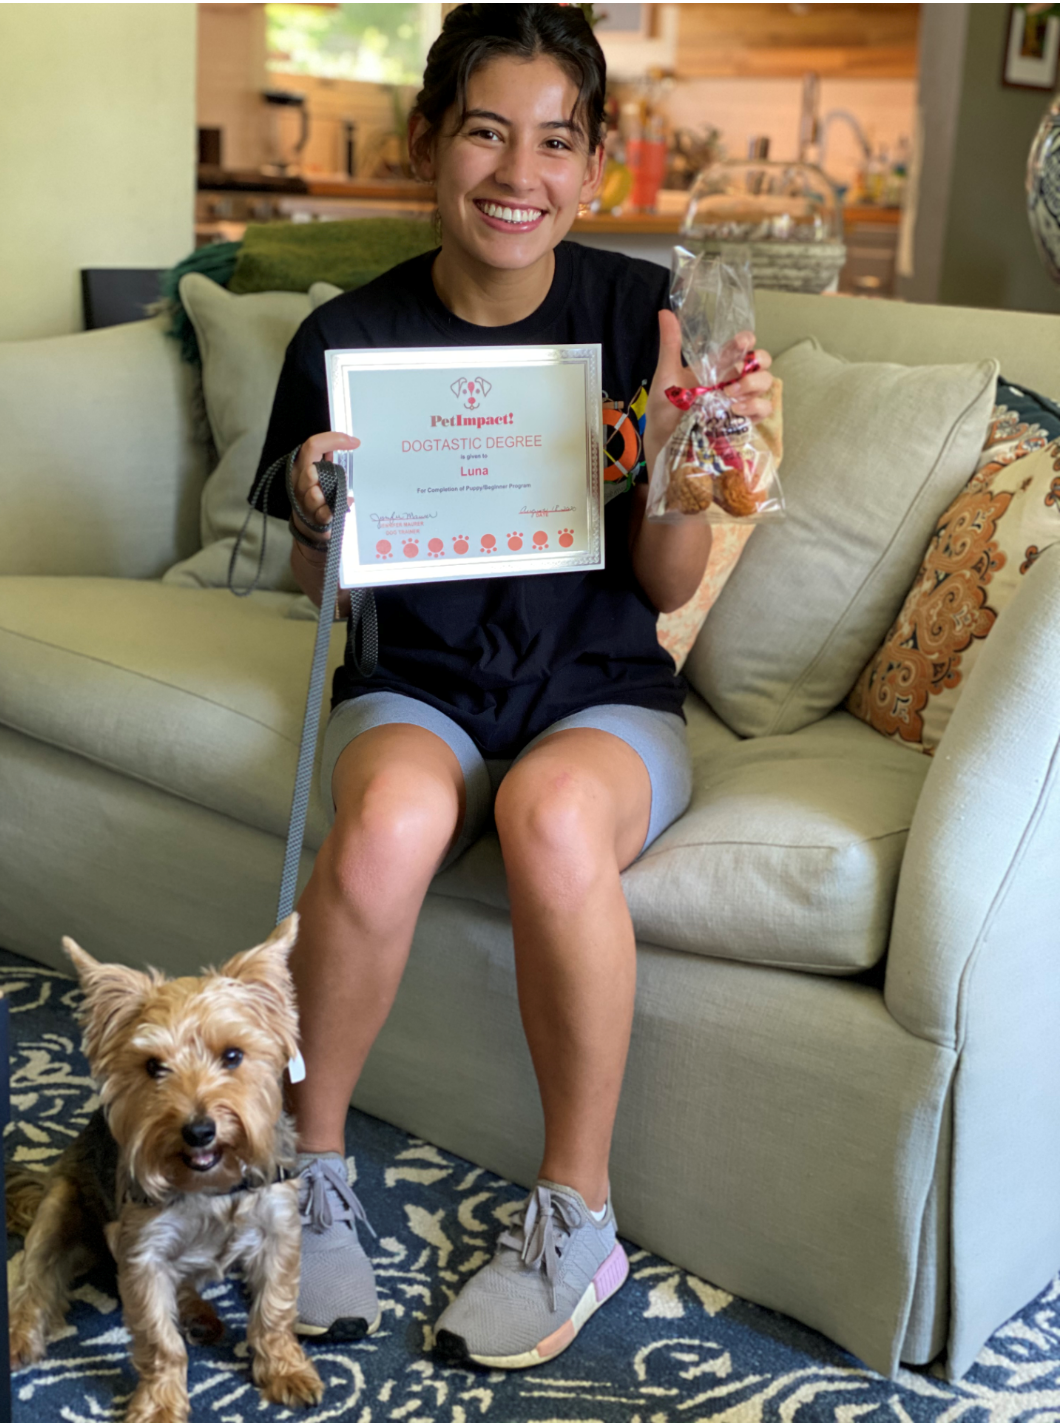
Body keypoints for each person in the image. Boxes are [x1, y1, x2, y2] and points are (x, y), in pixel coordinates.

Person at [250, 1, 774, 1371]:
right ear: (431, 142)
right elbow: (326, 599)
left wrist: (671, 456)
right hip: (414, 682)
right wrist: (318, 508)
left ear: (592, 166)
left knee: (547, 821)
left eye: (554, 142)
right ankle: (302, 1179)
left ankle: (574, 1216)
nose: (515, 174)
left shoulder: (643, 313)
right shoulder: (342, 335)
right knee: (383, 825)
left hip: (601, 697)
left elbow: (666, 589)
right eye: (485, 132)